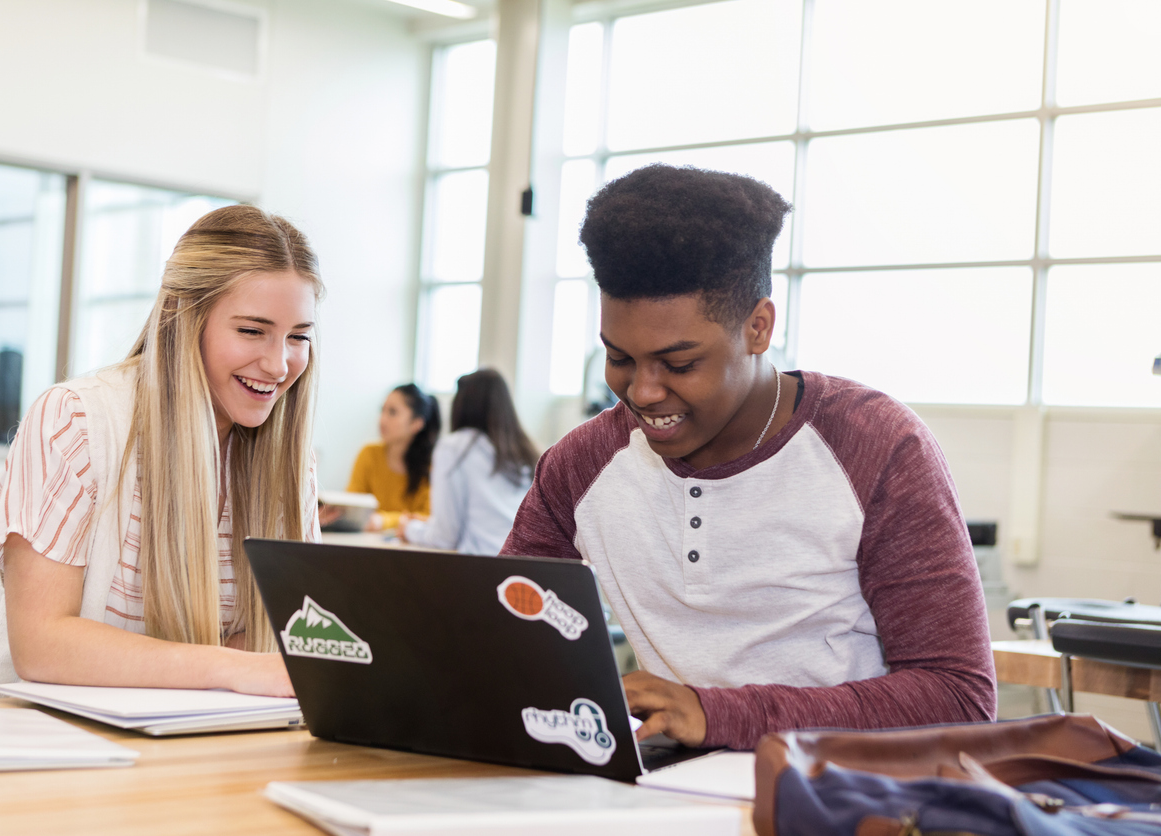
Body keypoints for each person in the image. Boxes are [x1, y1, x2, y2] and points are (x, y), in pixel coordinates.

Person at [501, 164, 995, 751]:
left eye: (680, 364)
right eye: (619, 359)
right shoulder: (581, 465)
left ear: (758, 327)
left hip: (839, 794)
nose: (644, 392)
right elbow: (510, 639)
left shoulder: (876, 446)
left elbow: (959, 698)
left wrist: (720, 715)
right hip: (668, 791)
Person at [0, 205, 323, 697]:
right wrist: (231, 669)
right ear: (184, 318)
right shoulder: (75, 420)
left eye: (298, 337)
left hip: (196, 742)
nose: (279, 365)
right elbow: (41, 643)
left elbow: (282, 631)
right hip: (36, 743)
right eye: (252, 331)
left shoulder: (289, 457)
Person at [399, 369, 538, 555]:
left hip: (484, 568)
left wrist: (409, 529)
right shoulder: (527, 452)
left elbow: (445, 538)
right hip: (527, 571)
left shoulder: (454, 448)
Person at [327, 384, 440, 531]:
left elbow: (428, 518)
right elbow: (353, 505)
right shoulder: (368, 454)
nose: (382, 420)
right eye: (383, 410)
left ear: (416, 423)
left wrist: (383, 520)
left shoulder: (433, 465)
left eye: (392, 412)